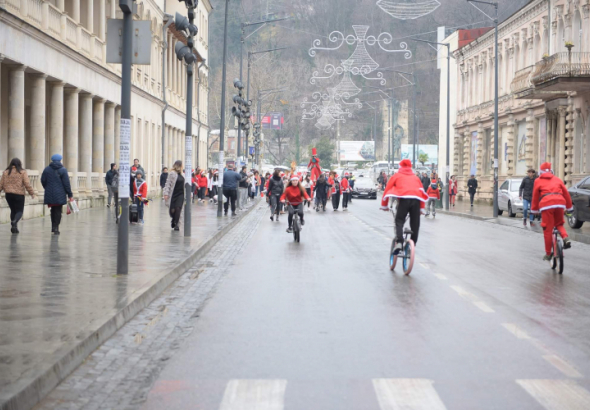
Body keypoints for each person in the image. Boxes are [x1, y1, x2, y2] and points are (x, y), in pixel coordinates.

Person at [380, 159, 428, 254]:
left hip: (404, 200)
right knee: (415, 223)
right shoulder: (416, 178)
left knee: (399, 220)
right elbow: (421, 192)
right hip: (416, 200)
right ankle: (412, 244)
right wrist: (421, 208)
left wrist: (384, 205)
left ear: (400, 167)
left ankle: (399, 242)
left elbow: (387, 190)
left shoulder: (396, 176)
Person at [531, 162, 573, 260]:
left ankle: (548, 253)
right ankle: (565, 237)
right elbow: (566, 194)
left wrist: (534, 209)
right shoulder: (558, 179)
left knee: (547, 229)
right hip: (560, 203)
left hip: (546, 205)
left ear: (540, 172)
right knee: (559, 223)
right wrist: (569, 207)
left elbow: (535, 196)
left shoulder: (538, 181)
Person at [0, 158, 35, 234]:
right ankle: (14, 221)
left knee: (13, 210)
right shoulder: (22, 172)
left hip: (8, 194)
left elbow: (1, 184)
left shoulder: (6, 172)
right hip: (19, 195)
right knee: (19, 211)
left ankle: (14, 227)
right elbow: (27, 183)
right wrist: (31, 193)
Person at [41, 154, 73, 235]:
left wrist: (47, 188)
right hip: (60, 194)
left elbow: (43, 180)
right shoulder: (63, 170)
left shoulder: (47, 169)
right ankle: (56, 227)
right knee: (58, 211)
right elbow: (66, 184)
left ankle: (53, 226)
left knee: (53, 210)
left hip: (50, 193)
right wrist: (69, 194)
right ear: (60, 160)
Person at [163, 160, 185, 231]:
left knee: (178, 208)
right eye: (182, 165)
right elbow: (168, 184)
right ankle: (173, 219)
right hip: (173, 194)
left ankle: (176, 224)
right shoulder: (172, 173)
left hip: (181, 194)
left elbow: (186, 185)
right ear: (179, 166)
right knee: (172, 210)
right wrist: (166, 193)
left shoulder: (183, 174)